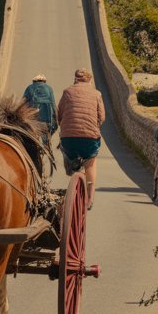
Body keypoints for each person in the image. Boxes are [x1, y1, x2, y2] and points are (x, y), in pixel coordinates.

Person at [57, 68, 105, 210]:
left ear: (75, 79)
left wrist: (64, 126)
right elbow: (102, 117)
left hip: (69, 139)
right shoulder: (97, 94)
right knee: (90, 162)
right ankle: (90, 198)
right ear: (90, 80)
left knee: (67, 151)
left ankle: (72, 173)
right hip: (89, 139)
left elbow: (59, 114)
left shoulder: (67, 92)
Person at [23, 73, 58, 143]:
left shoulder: (29, 88)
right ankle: (46, 144)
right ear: (44, 81)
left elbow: (23, 103)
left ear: (34, 81)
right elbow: (53, 105)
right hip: (47, 119)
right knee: (46, 137)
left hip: (33, 119)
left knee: (32, 137)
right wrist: (56, 120)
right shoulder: (49, 88)